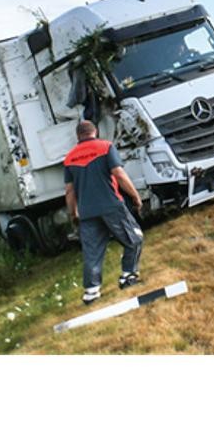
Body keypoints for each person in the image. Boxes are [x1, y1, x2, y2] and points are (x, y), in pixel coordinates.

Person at [64, 120, 144, 304]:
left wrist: (73, 214)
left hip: (87, 212)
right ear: (95, 131)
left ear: (78, 136)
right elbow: (119, 174)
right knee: (134, 238)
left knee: (92, 252)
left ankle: (91, 292)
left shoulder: (69, 158)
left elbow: (69, 191)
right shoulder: (105, 147)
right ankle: (128, 275)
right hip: (111, 206)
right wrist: (135, 196)